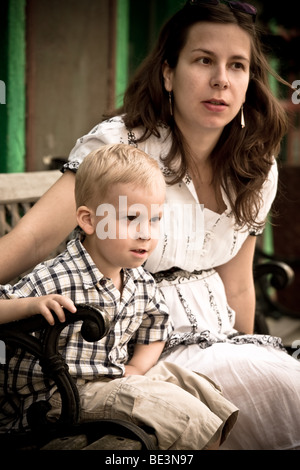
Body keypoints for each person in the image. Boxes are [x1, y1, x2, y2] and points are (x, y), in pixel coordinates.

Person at [0, 0, 299, 450]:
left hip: (217, 342)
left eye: (236, 66)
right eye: (203, 60)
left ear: (248, 83)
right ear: (167, 73)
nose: (221, 78)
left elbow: (238, 285)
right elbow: (35, 237)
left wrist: (245, 346)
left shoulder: (256, 168)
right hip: (132, 351)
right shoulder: (123, 146)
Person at [0, 144, 239, 450]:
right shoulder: (57, 277)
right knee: (174, 411)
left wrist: (139, 367)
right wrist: (30, 305)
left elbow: (156, 329)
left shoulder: (138, 280)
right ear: (89, 220)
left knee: (190, 384)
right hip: (60, 397)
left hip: (110, 382)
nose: (145, 233)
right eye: (131, 218)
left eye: (154, 219)